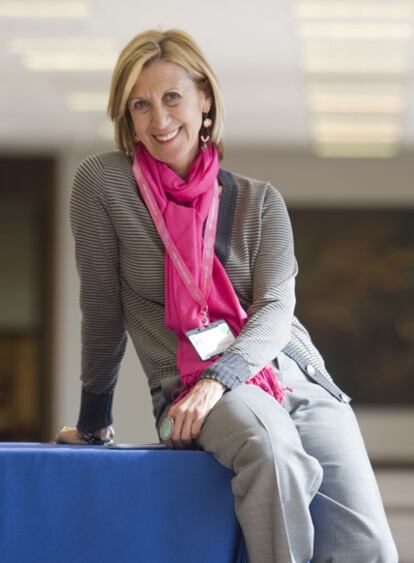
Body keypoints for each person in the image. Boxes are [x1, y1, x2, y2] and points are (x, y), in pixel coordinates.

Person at [56, 29, 398, 563]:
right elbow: (101, 308)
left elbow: (276, 310)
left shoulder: (261, 202)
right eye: (140, 105)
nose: (159, 119)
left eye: (172, 98)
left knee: (366, 547)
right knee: (272, 451)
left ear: (205, 99)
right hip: (187, 384)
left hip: (288, 371)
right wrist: (95, 419)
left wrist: (221, 378)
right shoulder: (104, 183)